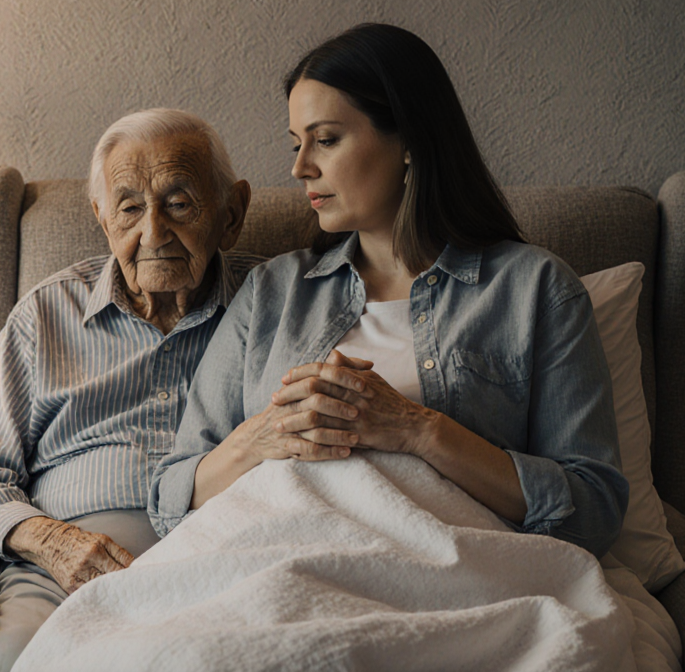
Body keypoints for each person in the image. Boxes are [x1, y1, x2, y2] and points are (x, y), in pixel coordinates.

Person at [149, 23, 629, 558]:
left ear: (408, 140)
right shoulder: (271, 293)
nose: (299, 166)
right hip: (276, 560)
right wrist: (261, 438)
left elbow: (595, 511)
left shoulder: (535, 290)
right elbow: (171, 496)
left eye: (325, 139)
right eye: (297, 143)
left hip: (451, 570)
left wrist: (417, 429)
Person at [0, 108, 261, 672]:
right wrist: (49, 541)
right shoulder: (47, 314)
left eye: (179, 204)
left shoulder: (276, 299)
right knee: (14, 658)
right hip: (66, 566)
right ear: (101, 218)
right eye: (129, 208)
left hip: (228, 557)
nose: (152, 232)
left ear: (231, 214)